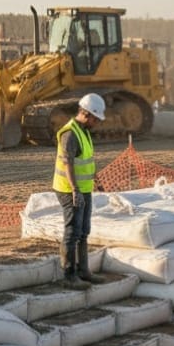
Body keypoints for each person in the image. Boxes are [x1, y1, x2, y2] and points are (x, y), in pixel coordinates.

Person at [52, 92, 106, 288]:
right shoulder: (70, 133)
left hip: (83, 188)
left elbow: (86, 161)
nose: (97, 123)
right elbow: (68, 164)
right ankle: (69, 276)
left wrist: (95, 179)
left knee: (84, 231)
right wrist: (75, 190)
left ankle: (84, 271)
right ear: (87, 114)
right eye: (96, 119)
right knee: (72, 232)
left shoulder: (84, 132)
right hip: (69, 189)